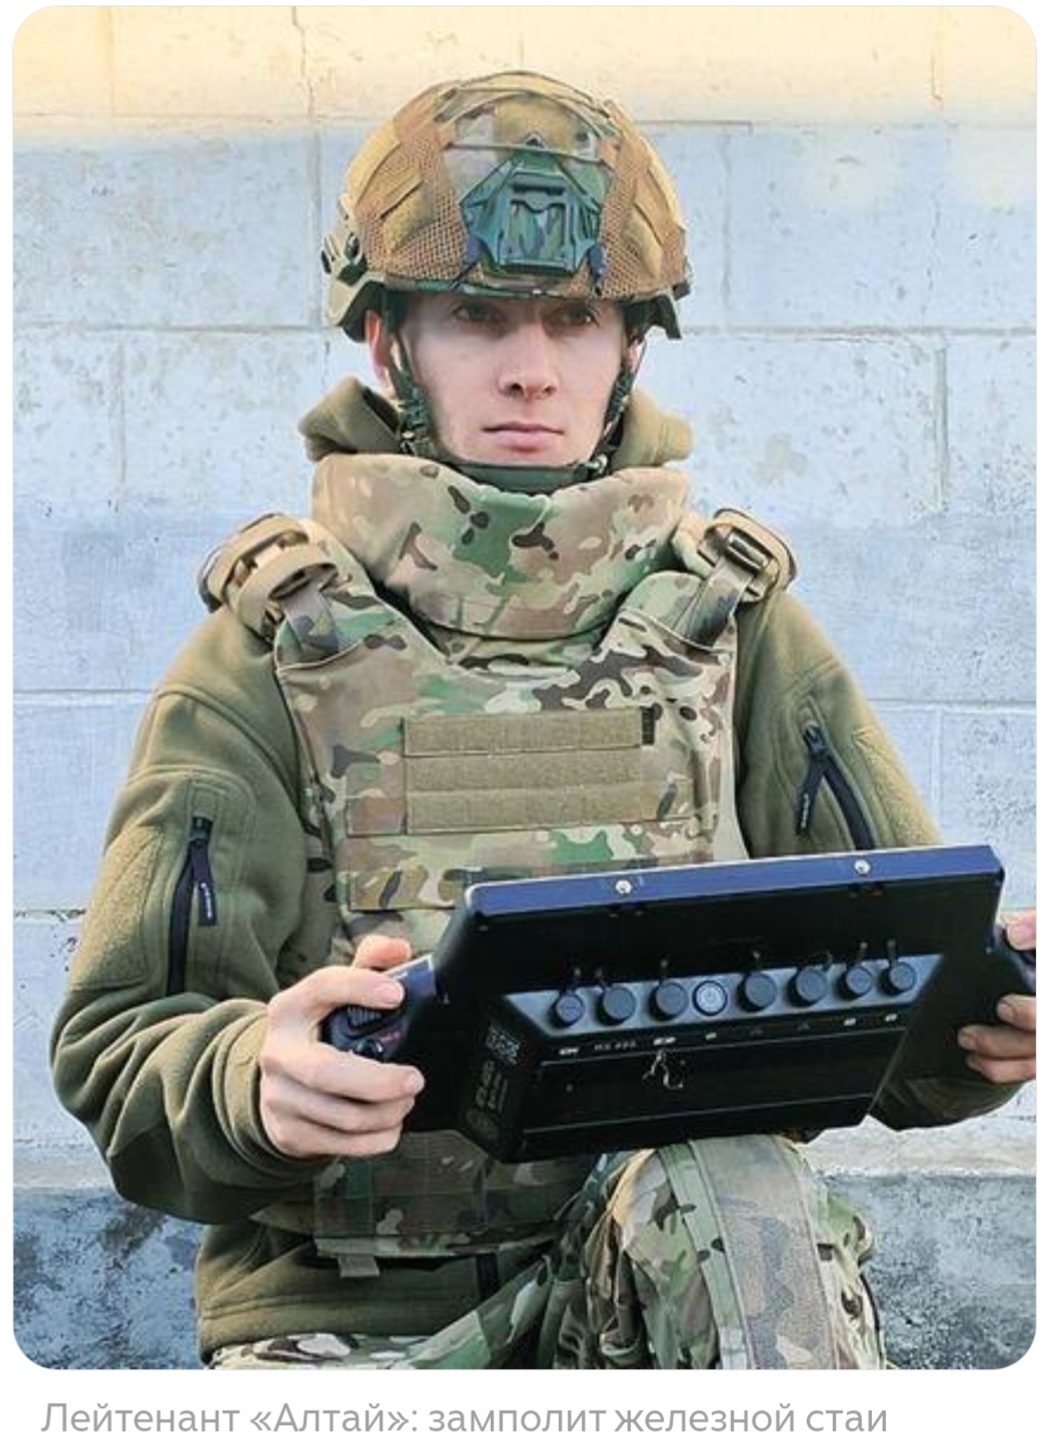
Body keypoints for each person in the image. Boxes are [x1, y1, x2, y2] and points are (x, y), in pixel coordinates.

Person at [50, 69, 1035, 1371]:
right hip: (351, 1324)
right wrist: (250, 1079)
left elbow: (902, 1010)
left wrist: (984, 1023)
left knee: (745, 1183)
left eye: (574, 319)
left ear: (632, 348)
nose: (529, 370)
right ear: (387, 343)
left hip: (669, 1289)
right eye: (477, 317)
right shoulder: (271, 648)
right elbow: (123, 1047)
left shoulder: (732, 623)